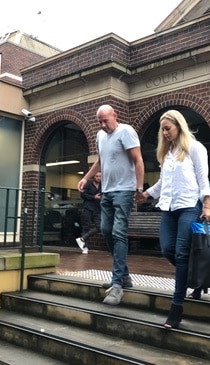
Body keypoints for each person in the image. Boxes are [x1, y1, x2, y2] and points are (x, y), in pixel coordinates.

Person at [138, 110, 210, 329]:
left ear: (179, 126)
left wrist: (207, 205)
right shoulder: (167, 153)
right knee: (167, 249)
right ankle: (196, 279)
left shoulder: (195, 148)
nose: (164, 132)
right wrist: (146, 194)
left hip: (190, 206)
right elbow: (163, 184)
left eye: (167, 128)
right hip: (169, 208)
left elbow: (203, 178)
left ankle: (176, 307)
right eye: (162, 129)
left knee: (181, 253)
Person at [77, 104, 145, 306]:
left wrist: (139, 189)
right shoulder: (100, 136)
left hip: (124, 190)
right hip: (106, 191)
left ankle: (117, 285)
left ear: (115, 116)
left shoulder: (126, 131)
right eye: (100, 121)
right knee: (106, 230)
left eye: (105, 120)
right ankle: (123, 276)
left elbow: (138, 160)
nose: (102, 124)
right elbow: (100, 161)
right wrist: (86, 178)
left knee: (118, 232)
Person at [75, 172, 102, 254]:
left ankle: (82, 238)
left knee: (100, 226)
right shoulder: (88, 184)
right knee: (86, 226)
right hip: (88, 208)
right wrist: (93, 197)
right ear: (94, 177)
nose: (98, 178)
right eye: (96, 176)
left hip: (98, 208)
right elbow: (83, 195)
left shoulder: (103, 186)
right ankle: (84, 247)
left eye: (100, 176)